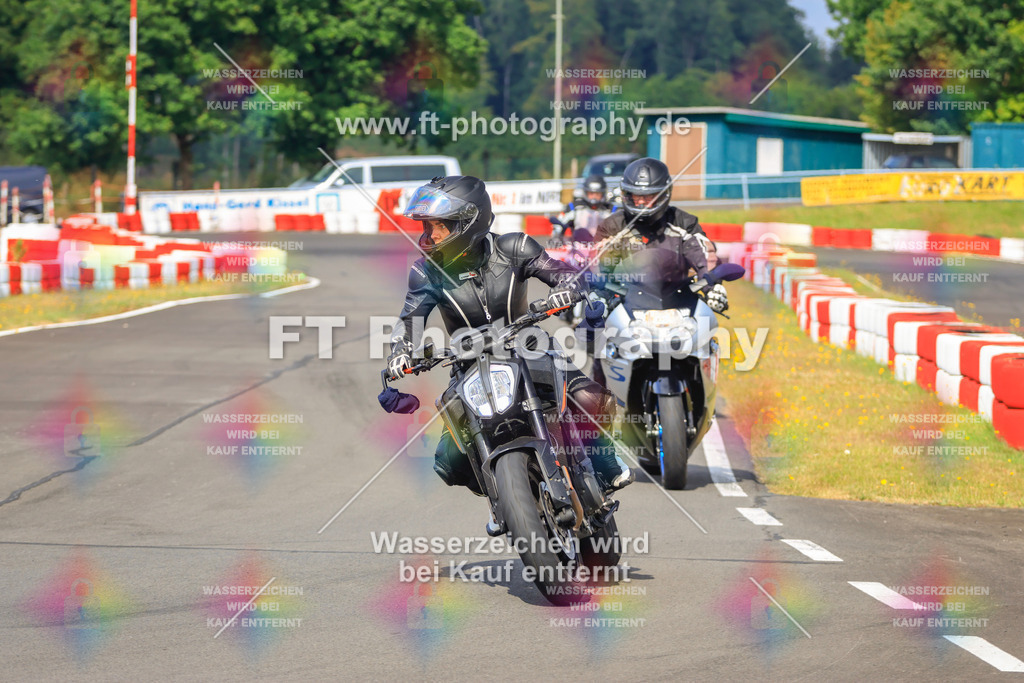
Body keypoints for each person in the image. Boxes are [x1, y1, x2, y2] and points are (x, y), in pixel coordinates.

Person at [385, 175, 633, 500]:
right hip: (468, 363)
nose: (430, 236)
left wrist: (567, 290)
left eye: (439, 227)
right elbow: (409, 321)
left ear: (467, 222)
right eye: (427, 226)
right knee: (450, 460)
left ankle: (605, 461)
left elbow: (560, 272)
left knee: (588, 399)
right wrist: (400, 352)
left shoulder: (514, 246)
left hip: (529, 345)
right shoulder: (426, 272)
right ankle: (506, 496)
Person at [588, 157, 729, 385]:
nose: (642, 202)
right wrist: (600, 294)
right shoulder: (612, 226)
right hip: (627, 301)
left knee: (707, 337)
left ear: (663, 194)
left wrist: (714, 286)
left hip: (678, 302)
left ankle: (703, 392)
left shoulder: (683, 222)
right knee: (596, 340)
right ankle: (601, 406)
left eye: (649, 196)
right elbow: (597, 263)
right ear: (626, 195)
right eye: (637, 196)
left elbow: (705, 255)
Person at [554, 175, 616, 243]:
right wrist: (557, 238)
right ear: (586, 193)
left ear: (603, 194)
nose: (594, 197)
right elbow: (559, 225)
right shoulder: (575, 208)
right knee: (581, 232)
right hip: (579, 248)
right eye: (591, 193)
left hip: (604, 247)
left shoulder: (611, 210)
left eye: (597, 194)